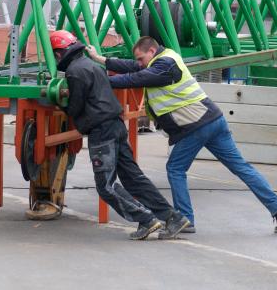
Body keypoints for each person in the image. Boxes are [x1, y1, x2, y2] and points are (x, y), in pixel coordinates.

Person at [86, 36, 277, 234]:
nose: (139, 62)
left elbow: (136, 77)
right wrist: (100, 59)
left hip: (197, 125)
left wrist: (99, 81)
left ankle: (185, 219)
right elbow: (132, 67)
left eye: (141, 57)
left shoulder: (164, 65)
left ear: (151, 50)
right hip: (213, 119)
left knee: (175, 169)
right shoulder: (163, 59)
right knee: (241, 167)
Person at [50, 30, 190, 240]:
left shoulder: (74, 72)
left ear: (59, 54)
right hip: (116, 126)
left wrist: (60, 104)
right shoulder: (92, 66)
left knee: (105, 186)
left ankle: (147, 220)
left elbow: (76, 106)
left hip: (102, 131)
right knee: (133, 179)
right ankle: (173, 217)